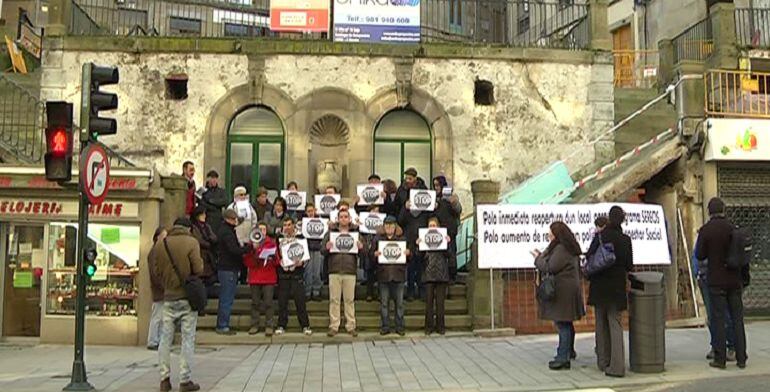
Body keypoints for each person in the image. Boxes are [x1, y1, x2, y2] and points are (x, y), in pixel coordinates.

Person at [695, 197, 747, 369]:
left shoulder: (706, 230)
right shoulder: (734, 229)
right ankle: (741, 358)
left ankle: (720, 358)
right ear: (724, 210)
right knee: (737, 319)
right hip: (734, 280)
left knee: (718, 319)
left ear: (709, 212)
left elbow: (700, 255)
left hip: (716, 280)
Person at [152, 218, 204, 392]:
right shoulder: (191, 242)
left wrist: (167, 284)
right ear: (188, 228)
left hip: (169, 297)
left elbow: (156, 271)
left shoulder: (161, 244)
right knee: (187, 339)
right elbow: (198, 269)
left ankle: (164, 379)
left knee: (165, 339)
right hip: (187, 298)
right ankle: (184, 380)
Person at [587, 206, 633, 378]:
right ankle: (617, 366)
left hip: (599, 285)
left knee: (600, 324)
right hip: (617, 286)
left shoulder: (600, 236)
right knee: (615, 324)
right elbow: (629, 265)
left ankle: (602, 360)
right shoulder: (625, 239)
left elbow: (590, 256)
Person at [533, 222, 585, 370]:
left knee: (562, 323)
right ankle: (569, 351)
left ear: (557, 234)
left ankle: (563, 357)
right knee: (566, 322)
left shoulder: (562, 248)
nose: (549, 235)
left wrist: (537, 259)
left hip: (563, 291)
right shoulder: (564, 246)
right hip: (567, 289)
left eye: (551, 232)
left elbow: (550, 267)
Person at [692, 234, 737, 362]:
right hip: (707, 277)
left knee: (722, 315)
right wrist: (698, 274)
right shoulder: (705, 234)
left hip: (715, 278)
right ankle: (717, 345)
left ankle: (730, 345)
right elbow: (696, 255)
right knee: (713, 315)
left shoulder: (721, 234)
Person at [322, 209, 363, 337]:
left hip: (350, 270)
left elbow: (364, 251)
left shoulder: (356, 234)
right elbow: (321, 250)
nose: (344, 219)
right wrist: (326, 247)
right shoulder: (330, 233)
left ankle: (351, 325)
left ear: (349, 219)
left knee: (349, 300)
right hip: (334, 270)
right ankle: (334, 326)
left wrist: (361, 247)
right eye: (341, 217)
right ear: (338, 219)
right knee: (334, 300)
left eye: (346, 217)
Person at [215, 209, 251, 335]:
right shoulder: (227, 232)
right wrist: (248, 248)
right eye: (234, 219)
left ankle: (223, 324)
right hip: (228, 268)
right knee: (227, 298)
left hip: (227, 268)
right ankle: (223, 325)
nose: (236, 221)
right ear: (228, 219)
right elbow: (233, 250)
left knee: (226, 297)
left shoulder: (226, 230)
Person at [371, 216, 409, 335]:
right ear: (384, 227)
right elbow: (370, 257)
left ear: (395, 227)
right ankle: (385, 326)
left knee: (400, 304)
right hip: (383, 275)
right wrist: (374, 254)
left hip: (398, 275)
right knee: (384, 303)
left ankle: (400, 326)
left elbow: (410, 259)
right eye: (387, 225)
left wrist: (408, 254)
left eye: (391, 225)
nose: (389, 228)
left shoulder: (402, 240)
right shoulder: (378, 240)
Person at [275, 217, 312, 335]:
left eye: (289, 224)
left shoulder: (300, 238)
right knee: (282, 302)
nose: (287, 227)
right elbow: (275, 255)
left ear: (293, 226)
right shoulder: (278, 239)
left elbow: (306, 256)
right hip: (283, 275)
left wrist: (302, 262)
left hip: (297, 275)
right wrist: (280, 262)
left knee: (300, 301)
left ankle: (305, 325)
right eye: (285, 225)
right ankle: (281, 325)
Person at [416, 217, 452, 335]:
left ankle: (441, 327)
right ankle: (428, 327)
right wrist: (419, 246)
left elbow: (449, 255)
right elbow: (419, 257)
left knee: (440, 303)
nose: (432, 228)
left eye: (434, 225)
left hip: (441, 274)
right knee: (429, 303)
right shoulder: (424, 239)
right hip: (428, 273)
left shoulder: (442, 238)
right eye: (430, 225)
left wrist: (447, 243)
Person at [243, 222, 278, 336]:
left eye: (264, 229)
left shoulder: (271, 243)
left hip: (268, 278)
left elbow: (277, 262)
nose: (262, 231)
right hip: (255, 278)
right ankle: (254, 324)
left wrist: (273, 258)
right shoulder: (250, 244)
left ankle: (269, 325)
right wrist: (254, 251)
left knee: (268, 303)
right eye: (260, 229)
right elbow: (248, 263)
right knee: (255, 303)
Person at [398, 189, 431, 301]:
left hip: (423, 241)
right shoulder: (407, 211)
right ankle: (410, 292)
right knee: (411, 269)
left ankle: (422, 292)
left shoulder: (425, 211)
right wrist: (404, 208)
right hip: (410, 242)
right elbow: (400, 221)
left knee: (422, 268)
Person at [432, 175, 462, 283]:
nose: (436, 188)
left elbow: (458, 210)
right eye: (434, 185)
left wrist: (454, 203)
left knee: (451, 253)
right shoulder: (433, 198)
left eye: (438, 185)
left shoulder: (450, 197)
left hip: (450, 229)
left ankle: (452, 276)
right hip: (438, 229)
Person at [146, 227, 167, 351]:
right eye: (163, 236)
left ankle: (157, 339)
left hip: (161, 288)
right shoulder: (154, 252)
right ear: (157, 237)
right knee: (157, 316)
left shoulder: (159, 251)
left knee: (161, 317)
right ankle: (153, 340)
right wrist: (163, 285)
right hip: (159, 289)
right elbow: (155, 273)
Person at [190, 206, 218, 298]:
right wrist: (208, 243)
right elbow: (198, 240)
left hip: (209, 256)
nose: (204, 216)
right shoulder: (193, 227)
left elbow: (214, 237)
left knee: (209, 278)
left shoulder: (207, 226)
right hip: (200, 254)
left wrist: (211, 240)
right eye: (202, 214)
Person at [303, 202, 324, 301]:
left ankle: (316, 291)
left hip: (317, 248)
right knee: (308, 271)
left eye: (312, 211)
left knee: (317, 271)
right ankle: (307, 292)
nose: (310, 213)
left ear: (315, 211)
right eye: (308, 211)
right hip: (307, 248)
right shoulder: (303, 222)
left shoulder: (321, 221)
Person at [198, 170, 228, 234]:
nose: (214, 180)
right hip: (207, 219)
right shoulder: (203, 191)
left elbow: (224, 201)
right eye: (212, 178)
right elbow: (201, 203)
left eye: (216, 178)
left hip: (218, 220)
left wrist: (210, 201)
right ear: (208, 179)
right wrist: (215, 206)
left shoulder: (221, 191)